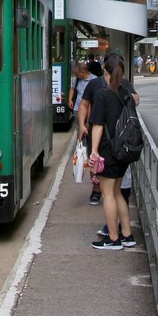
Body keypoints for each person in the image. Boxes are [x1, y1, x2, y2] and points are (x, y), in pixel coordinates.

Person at [88, 54, 139, 249]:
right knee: (118, 192)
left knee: (108, 194)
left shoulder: (102, 94)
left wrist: (94, 151)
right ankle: (127, 235)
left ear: (105, 72)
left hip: (108, 150)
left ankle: (113, 238)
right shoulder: (126, 92)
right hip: (123, 150)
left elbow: (98, 125)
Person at [68, 59, 102, 206]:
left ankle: (100, 188)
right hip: (83, 115)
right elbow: (82, 102)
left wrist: (88, 120)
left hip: (93, 118)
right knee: (89, 150)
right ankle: (96, 188)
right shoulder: (80, 81)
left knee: (95, 154)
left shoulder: (95, 82)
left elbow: (89, 104)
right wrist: (83, 124)